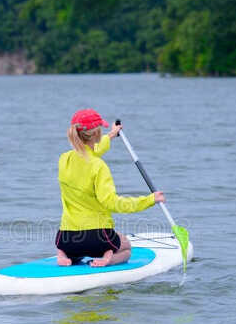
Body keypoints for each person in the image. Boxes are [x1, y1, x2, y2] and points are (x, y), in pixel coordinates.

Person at [55, 109, 162, 267]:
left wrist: (112, 135)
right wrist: (150, 200)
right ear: (97, 134)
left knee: (76, 248)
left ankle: (63, 255)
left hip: (66, 238)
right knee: (126, 247)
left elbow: (90, 152)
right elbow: (112, 203)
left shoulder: (64, 159)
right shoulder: (99, 166)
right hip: (97, 238)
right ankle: (107, 258)